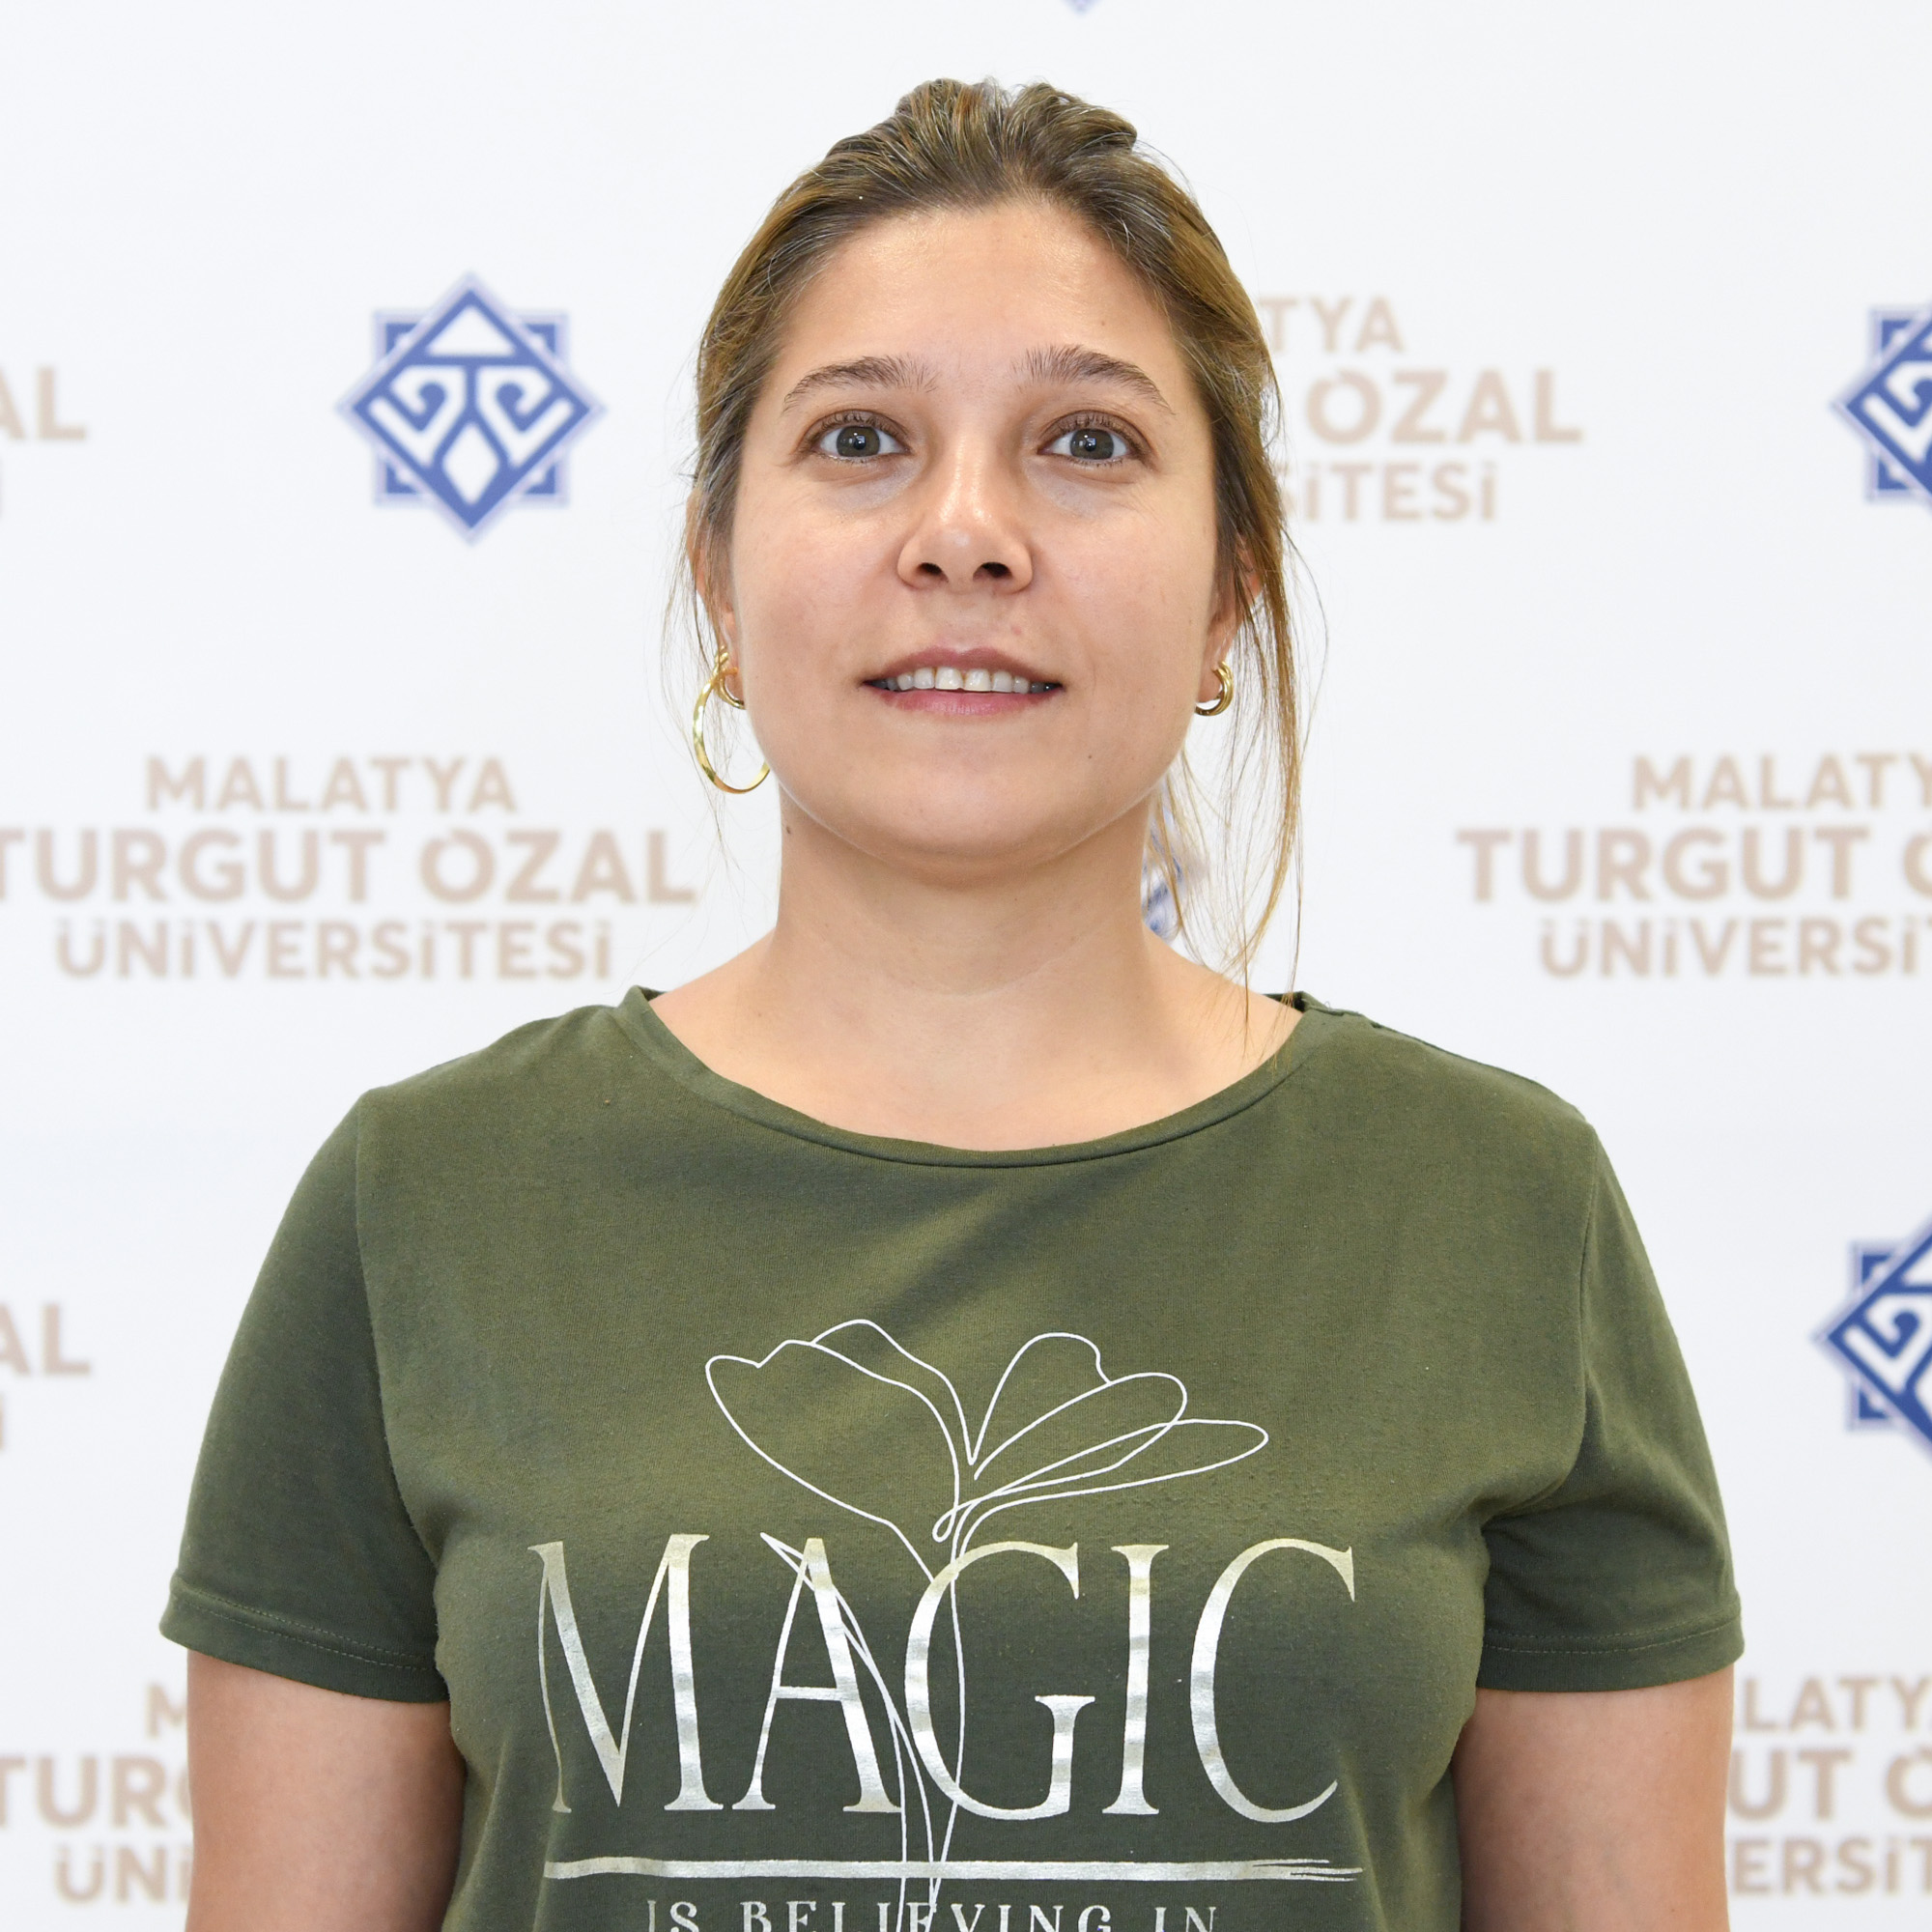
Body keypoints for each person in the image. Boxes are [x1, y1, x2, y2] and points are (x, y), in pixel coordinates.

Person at [165, 79, 1741, 1932]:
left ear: (1230, 588)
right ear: (716, 575)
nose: (967, 533)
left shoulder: (1495, 1206)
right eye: (860, 438)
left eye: (1086, 440)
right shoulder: (424, 1203)